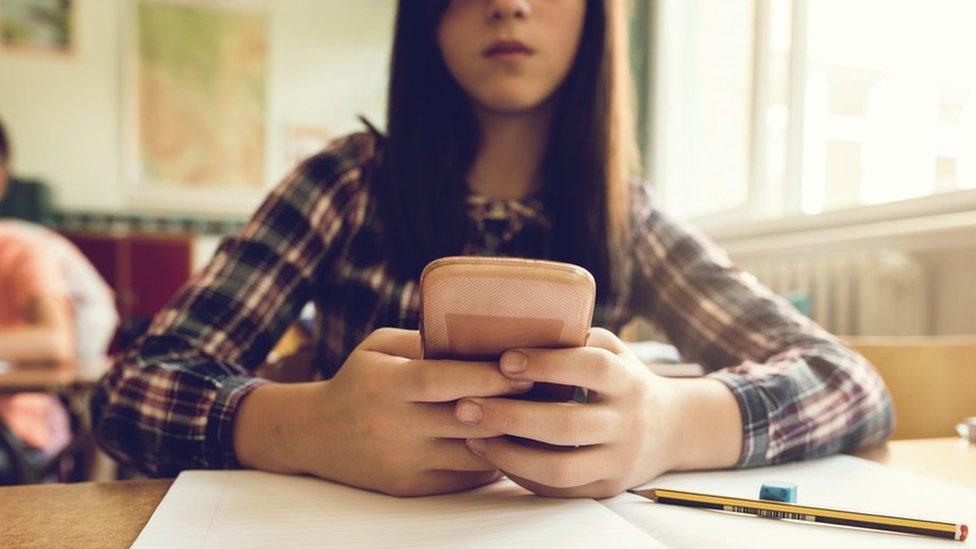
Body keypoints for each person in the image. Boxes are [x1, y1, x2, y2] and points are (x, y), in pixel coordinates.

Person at [91, 0, 893, 498]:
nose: (508, 5)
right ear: (425, 15)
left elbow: (849, 382)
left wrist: (673, 423)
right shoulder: (344, 182)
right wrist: (307, 425)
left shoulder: (629, 218)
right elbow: (130, 392)